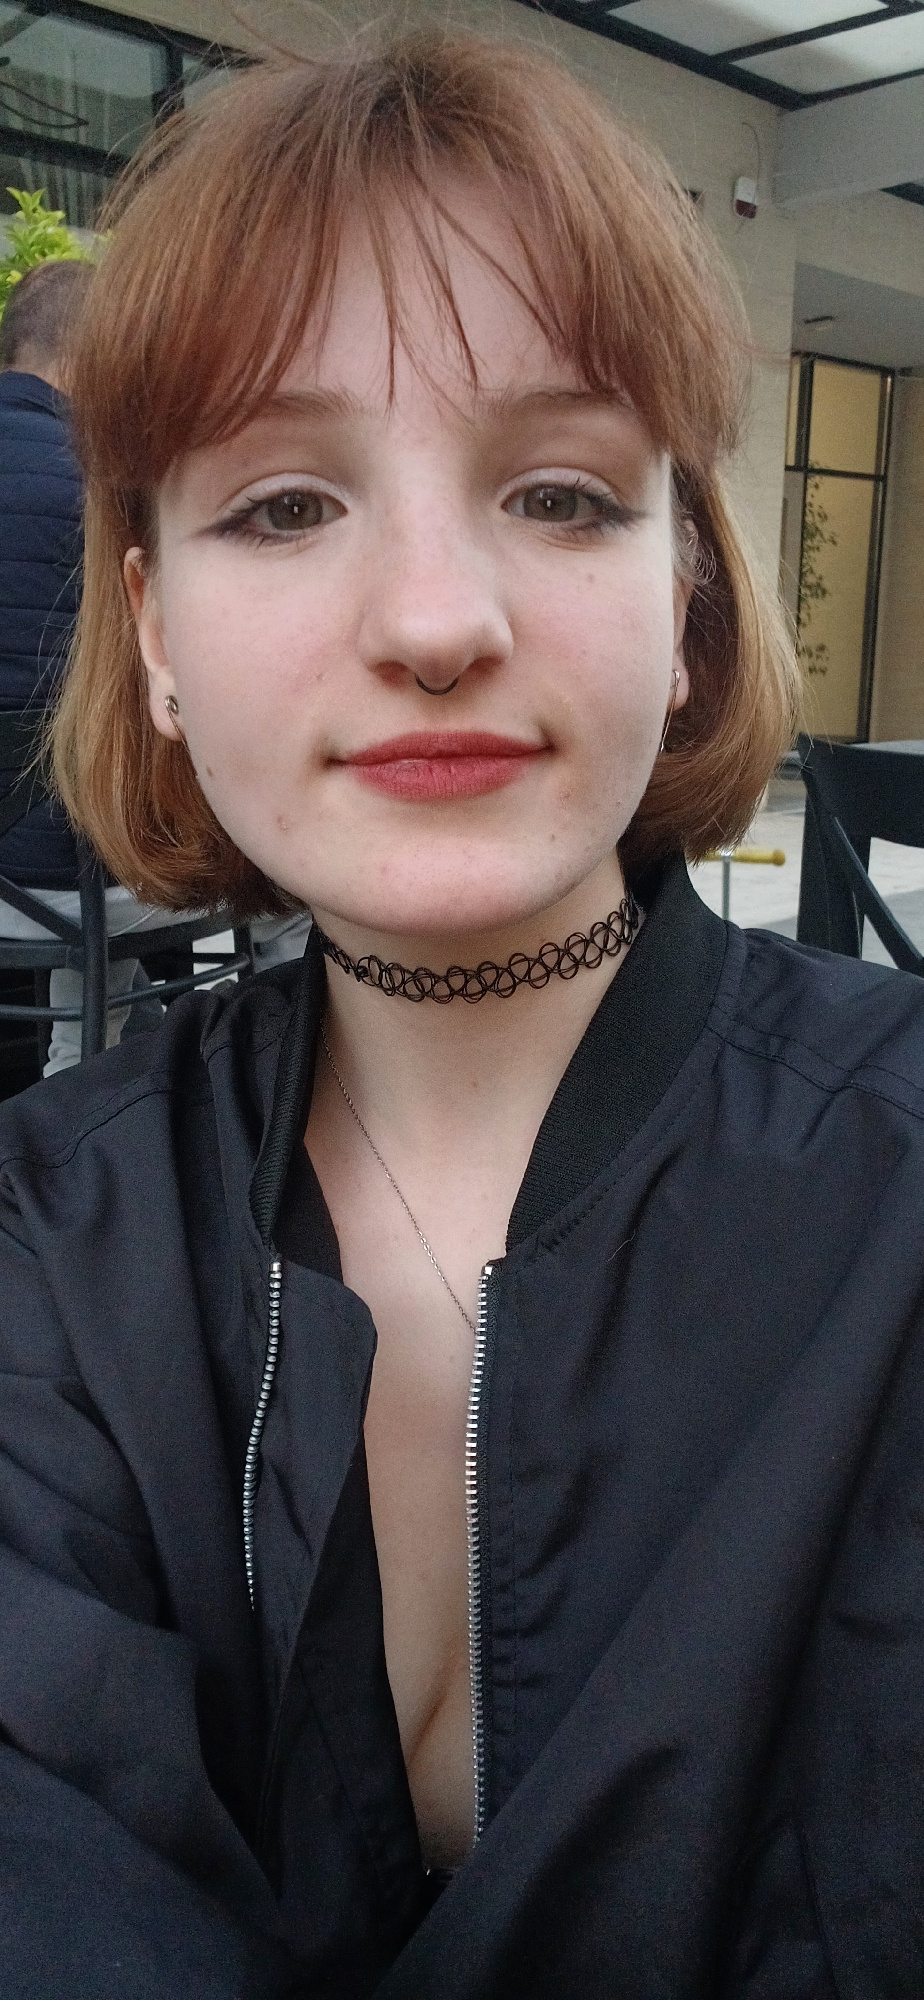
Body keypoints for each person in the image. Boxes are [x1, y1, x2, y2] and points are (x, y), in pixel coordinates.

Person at [1, 29, 923, 1997]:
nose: (435, 619)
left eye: (562, 493)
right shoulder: (43, 1242)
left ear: (689, 605)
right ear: (152, 633)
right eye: (282, 505)